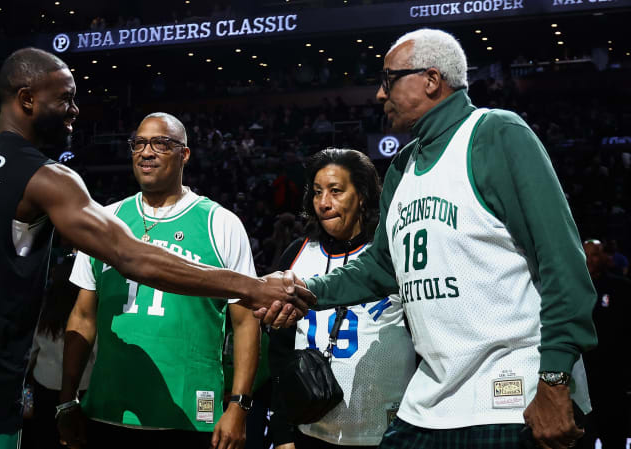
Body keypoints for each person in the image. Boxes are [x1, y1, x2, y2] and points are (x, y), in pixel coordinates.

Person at [0, 47, 309, 449]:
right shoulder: (47, 178)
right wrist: (252, 288)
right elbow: (132, 256)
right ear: (27, 99)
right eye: (65, 98)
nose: (75, 110)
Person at [265, 28, 598, 449]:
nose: (378, 96)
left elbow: (562, 262)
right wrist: (306, 291)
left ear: (431, 79)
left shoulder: (495, 133)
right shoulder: (403, 164)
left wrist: (554, 379)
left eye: (388, 80)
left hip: (511, 392)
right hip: (430, 400)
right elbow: (383, 266)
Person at [58, 112, 260, 449]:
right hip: (109, 409)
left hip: (190, 413)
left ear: (185, 154)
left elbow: (245, 321)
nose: (146, 152)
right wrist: (67, 399)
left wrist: (239, 404)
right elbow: (82, 316)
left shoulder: (220, 223)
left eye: (160, 144)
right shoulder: (104, 221)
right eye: (138, 143)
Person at [268, 149, 414, 449]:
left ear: (362, 195)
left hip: (387, 431)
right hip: (310, 431)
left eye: (336, 191)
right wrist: (282, 433)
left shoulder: (390, 254)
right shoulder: (297, 254)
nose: (324, 203)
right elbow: (280, 352)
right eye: (318, 192)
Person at [24, 256, 96, 449]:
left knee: (45, 435)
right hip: (82, 388)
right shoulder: (89, 315)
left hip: (46, 386)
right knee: (76, 438)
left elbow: (31, 351)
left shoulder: (44, 310)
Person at [582, 240, 630, 449]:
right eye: (585, 254)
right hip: (583, 375)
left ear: (604, 258)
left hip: (614, 375)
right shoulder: (571, 287)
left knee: (615, 435)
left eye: (594, 254)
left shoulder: (621, 287)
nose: (589, 259)